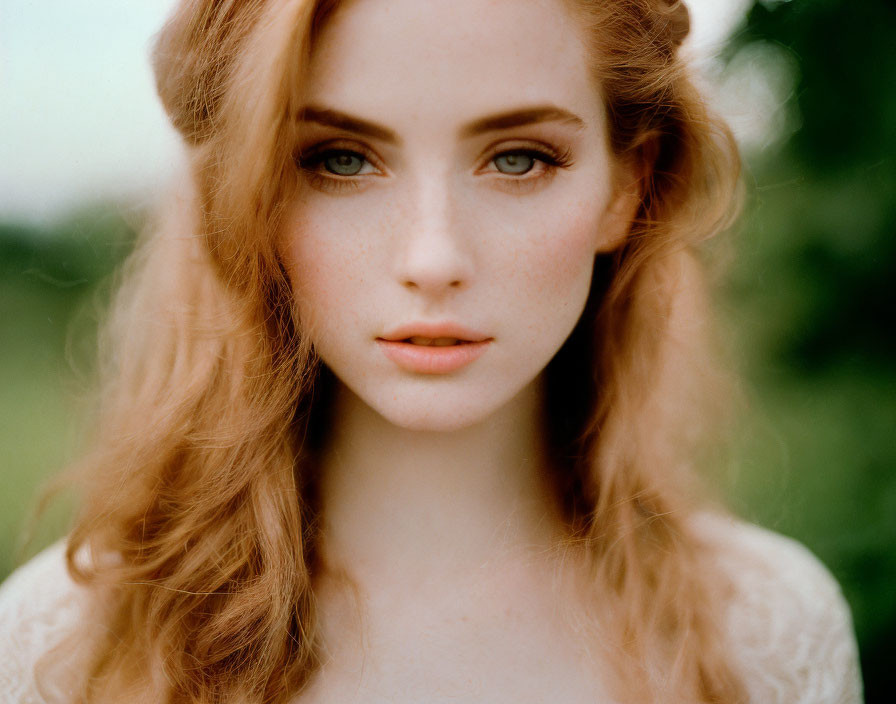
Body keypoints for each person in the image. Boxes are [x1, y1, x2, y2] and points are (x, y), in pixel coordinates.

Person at [0, 0, 863, 702]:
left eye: (519, 160)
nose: (434, 258)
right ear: (245, 196)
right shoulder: (65, 650)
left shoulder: (767, 634)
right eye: (339, 159)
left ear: (626, 186)